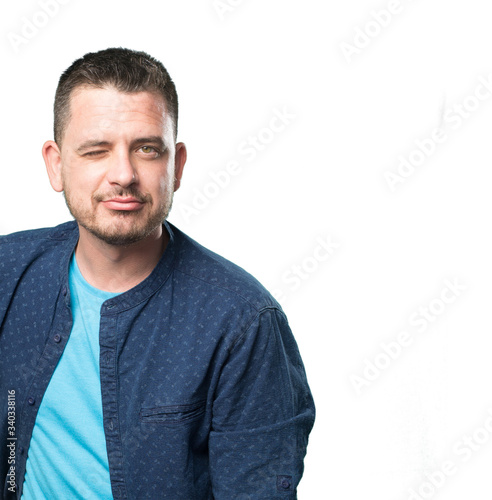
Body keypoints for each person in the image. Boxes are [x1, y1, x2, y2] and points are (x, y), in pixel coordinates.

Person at [0, 47, 315, 499]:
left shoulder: (242, 323)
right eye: (96, 150)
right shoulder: (9, 273)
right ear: (56, 164)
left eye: (147, 149)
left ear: (177, 164)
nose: (124, 175)